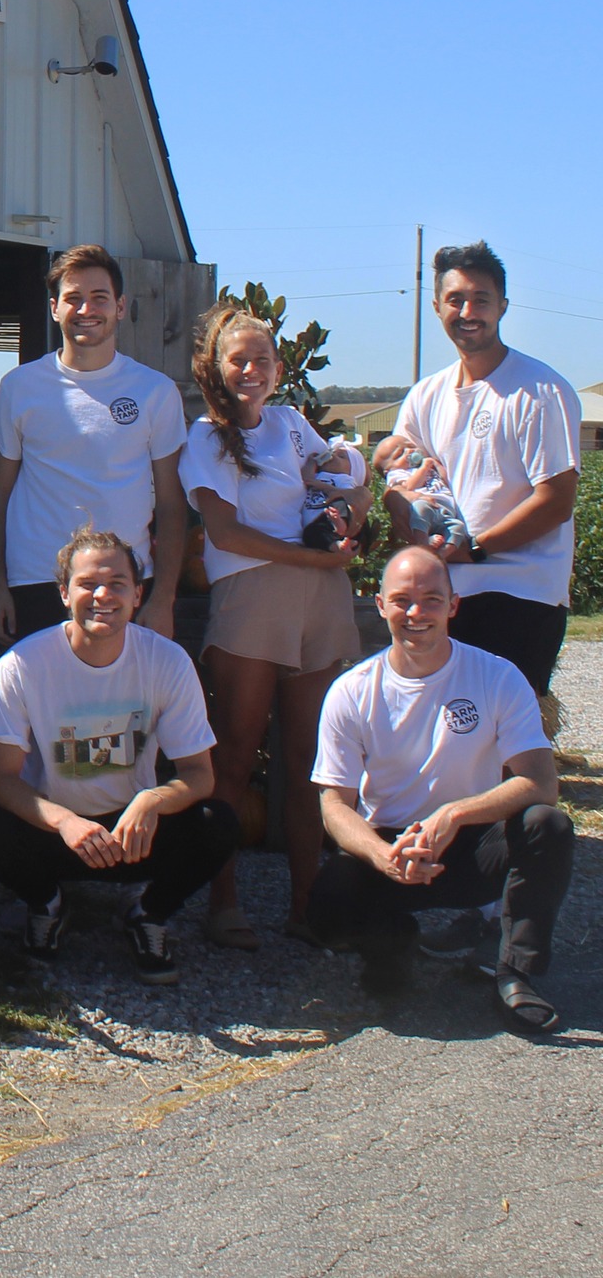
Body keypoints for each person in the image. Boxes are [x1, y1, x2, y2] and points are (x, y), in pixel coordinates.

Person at [309, 547, 571, 1034]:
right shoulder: (351, 691)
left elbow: (541, 782)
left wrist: (453, 815)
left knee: (546, 825)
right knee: (328, 904)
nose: (416, 613)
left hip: (471, 844)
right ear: (379, 603)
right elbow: (334, 806)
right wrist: (380, 854)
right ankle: (391, 947)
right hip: (393, 847)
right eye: (402, 600)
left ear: (454, 605)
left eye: (431, 599)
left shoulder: (496, 676)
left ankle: (515, 974)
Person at [0, 526, 238, 985]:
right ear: (63, 593)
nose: (102, 595)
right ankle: (48, 903)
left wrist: (153, 801)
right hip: (57, 827)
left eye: (116, 584)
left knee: (219, 823)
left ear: (137, 594)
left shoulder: (168, 661)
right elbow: (1, 779)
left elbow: (199, 775)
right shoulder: (22, 665)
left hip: (132, 830)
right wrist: (64, 822)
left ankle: (147, 912)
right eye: (87, 583)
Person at [178, 304, 365, 949]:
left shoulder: (290, 425)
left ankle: (308, 905)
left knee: (309, 760)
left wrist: (353, 512)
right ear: (218, 368)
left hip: (320, 598)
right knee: (232, 756)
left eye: (262, 360)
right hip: (252, 598)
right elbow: (225, 533)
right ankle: (223, 901)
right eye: (239, 360)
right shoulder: (205, 437)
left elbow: (340, 484)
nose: (251, 371)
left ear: (279, 369)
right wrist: (313, 556)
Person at [388, 241, 580, 699]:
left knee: (506, 740)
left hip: (518, 594)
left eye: (481, 299)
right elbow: (399, 482)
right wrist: (406, 510)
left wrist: (473, 550)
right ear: (437, 306)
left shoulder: (539, 390)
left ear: (503, 307)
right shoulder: (425, 395)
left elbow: (555, 500)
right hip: (443, 594)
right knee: (446, 732)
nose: (468, 310)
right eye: (456, 299)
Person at [0, 244, 187, 646]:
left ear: (121, 306)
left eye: (99, 298)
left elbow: (171, 503)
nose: (86, 309)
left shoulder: (155, 392)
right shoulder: (20, 387)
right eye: (73, 298)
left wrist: (163, 596)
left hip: (125, 583)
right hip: (37, 579)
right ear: (55, 308)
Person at [371, 433, 468, 547]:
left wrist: (436, 464)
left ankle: (443, 553)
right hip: (426, 506)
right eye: (400, 454)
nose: (409, 451)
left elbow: (446, 479)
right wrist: (425, 467)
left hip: (445, 509)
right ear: (388, 470)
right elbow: (409, 487)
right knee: (420, 509)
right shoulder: (398, 473)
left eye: (411, 446)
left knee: (458, 528)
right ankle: (423, 541)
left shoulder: (426, 463)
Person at [300, 437, 368, 551]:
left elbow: (346, 495)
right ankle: (337, 545)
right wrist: (312, 462)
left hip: (332, 514)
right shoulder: (318, 475)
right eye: (333, 453)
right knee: (310, 534)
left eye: (341, 456)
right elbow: (306, 478)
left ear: (352, 471)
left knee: (340, 500)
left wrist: (320, 485)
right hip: (316, 521)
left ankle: (342, 523)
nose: (333, 456)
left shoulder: (345, 479)